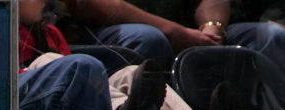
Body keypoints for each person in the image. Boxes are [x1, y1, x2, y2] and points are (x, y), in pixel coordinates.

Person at [0, 0, 248, 110]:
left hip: (64, 109)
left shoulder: (50, 33)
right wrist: (33, 74)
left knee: (130, 74)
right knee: (51, 63)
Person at [58, 0, 285, 71]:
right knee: (148, 38)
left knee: (269, 36)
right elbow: (92, 5)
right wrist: (175, 32)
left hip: (191, 30)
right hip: (105, 31)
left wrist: (213, 27)